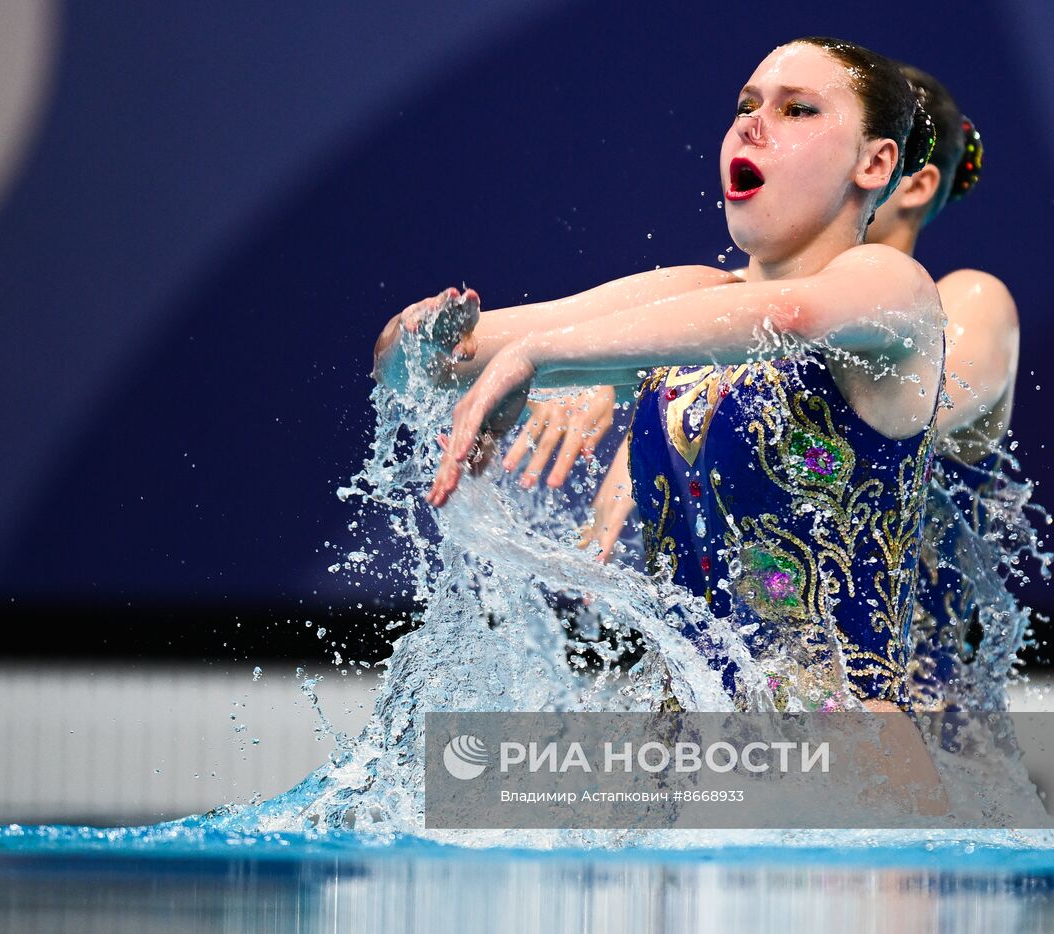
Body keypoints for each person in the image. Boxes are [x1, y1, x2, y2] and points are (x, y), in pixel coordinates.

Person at [374, 37, 944, 714]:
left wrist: (536, 357)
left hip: (851, 764)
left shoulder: (892, 288)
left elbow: (788, 317)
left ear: (876, 162)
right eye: (746, 105)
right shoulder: (691, 293)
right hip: (694, 769)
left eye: (798, 111)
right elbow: (424, 363)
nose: (752, 124)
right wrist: (424, 336)